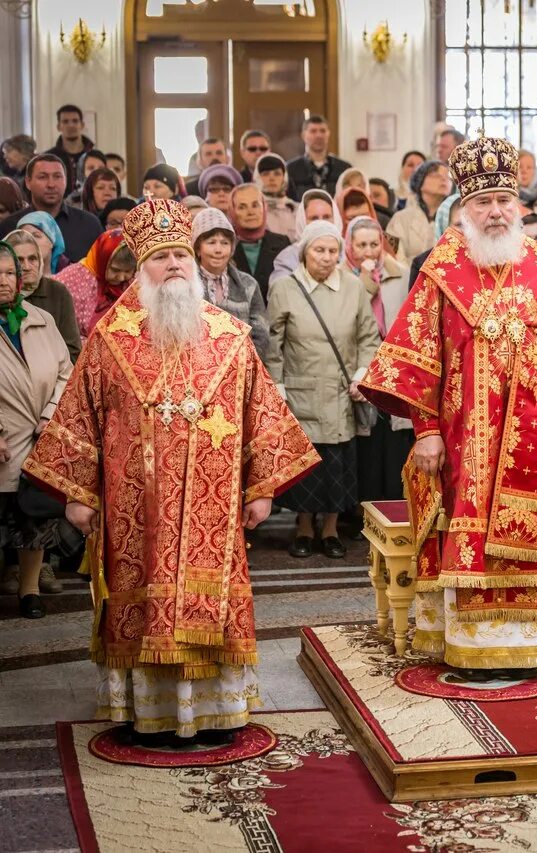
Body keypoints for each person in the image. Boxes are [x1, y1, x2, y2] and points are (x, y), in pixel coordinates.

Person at [23, 198, 318, 746]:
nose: (177, 265)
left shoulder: (231, 337)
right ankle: (149, 713)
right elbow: (80, 415)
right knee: (140, 598)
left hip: (215, 507)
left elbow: (262, 412)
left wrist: (262, 488)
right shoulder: (111, 338)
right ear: (142, 268)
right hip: (137, 511)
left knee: (213, 599)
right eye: (162, 258)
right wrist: (78, 493)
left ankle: (218, 714)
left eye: (182, 254)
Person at [358, 136, 537, 676]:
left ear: (520, 206)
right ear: (463, 208)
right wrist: (426, 430)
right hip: (465, 441)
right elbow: (419, 358)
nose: (495, 211)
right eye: (483, 202)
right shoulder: (440, 269)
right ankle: (474, 644)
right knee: (473, 529)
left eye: (504, 200)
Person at [267, 219, 379, 559]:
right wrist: (278, 387)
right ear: (305, 252)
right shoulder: (285, 288)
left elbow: (367, 336)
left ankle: (330, 530)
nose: (326, 257)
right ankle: (302, 528)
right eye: (319, 250)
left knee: (336, 464)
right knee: (305, 464)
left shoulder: (353, 286)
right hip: (300, 391)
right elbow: (273, 342)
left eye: (332, 250)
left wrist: (362, 374)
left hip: (341, 391)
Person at [0, 239, 72, 618]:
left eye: (10, 273)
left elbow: (65, 372)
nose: (4, 281)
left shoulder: (40, 319)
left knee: (33, 520)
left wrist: (51, 416)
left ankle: (29, 592)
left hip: (36, 437)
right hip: (4, 439)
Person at [342, 215, 413, 504]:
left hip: (393, 366)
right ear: (350, 246)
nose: (369, 251)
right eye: (361, 245)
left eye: (374, 244)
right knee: (366, 438)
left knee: (393, 437)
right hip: (360, 363)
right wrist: (365, 280)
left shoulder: (402, 273)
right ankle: (363, 507)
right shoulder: (344, 278)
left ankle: (394, 502)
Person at [192, 207, 269, 359]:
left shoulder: (248, 284)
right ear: (198, 248)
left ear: (232, 248)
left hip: (242, 368)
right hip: (200, 371)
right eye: (211, 242)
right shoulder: (187, 284)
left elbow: (262, 334)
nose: (218, 250)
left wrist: (240, 363)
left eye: (224, 243)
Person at [0, 155, 103, 264]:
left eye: (57, 176)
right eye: (43, 177)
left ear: (66, 181)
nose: (51, 184)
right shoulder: (10, 226)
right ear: (28, 182)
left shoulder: (89, 224)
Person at [5, 229, 80, 361]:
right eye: (19, 260)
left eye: (32, 259)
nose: (27, 267)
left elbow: (72, 350)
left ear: (40, 259)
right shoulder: (3, 295)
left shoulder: (57, 292)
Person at [55, 229, 136, 341]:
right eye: (115, 270)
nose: (121, 277)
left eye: (127, 271)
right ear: (102, 260)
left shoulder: (134, 282)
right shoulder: (72, 280)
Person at [229, 184, 291, 294]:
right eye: (242, 207)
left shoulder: (282, 243)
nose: (250, 212)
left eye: (255, 205)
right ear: (232, 211)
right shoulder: (224, 246)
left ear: (264, 207)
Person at [271, 188, 341, 283]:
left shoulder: (349, 251)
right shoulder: (287, 258)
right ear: (302, 221)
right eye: (314, 218)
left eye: (326, 217)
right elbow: (280, 292)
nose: (321, 222)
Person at [387, 160, 450, 263]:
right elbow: (393, 258)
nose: (443, 179)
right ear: (420, 183)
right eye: (435, 175)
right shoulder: (400, 218)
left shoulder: (457, 218)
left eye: (447, 176)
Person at [286, 116, 352, 201]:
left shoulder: (344, 168)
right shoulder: (290, 169)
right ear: (303, 135)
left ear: (328, 134)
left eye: (322, 131)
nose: (319, 135)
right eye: (313, 131)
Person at [45, 105, 93, 190]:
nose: (71, 125)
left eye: (75, 121)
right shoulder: (48, 158)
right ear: (59, 127)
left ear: (82, 125)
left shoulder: (94, 156)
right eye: (65, 121)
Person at [253, 153, 299, 241]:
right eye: (266, 174)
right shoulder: (253, 209)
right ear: (257, 178)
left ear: (284, 177)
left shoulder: (296, 209)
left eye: (277, 174)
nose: (272, 178)